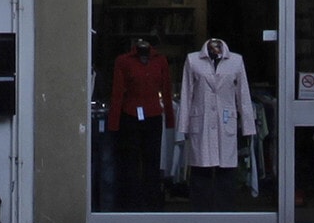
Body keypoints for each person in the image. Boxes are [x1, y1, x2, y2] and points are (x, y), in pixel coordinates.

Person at [178, 36, 255, 209]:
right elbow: (186, 94)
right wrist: (183, 126)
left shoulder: (236, 61)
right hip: (201, 121)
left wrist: (248, 126)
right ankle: (200, 213)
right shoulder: (193, 60)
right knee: (200, 170)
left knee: (226, 172)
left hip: (225, 121)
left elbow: (243, 95)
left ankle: (224, 213)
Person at [107, 36, 175, 211]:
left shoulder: (160, 61)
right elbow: (117, 92)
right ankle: (130, 204)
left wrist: (170, 119)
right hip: (130, 116)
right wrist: (114, 123)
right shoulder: (123, 61)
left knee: (152, 161)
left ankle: (152, 204)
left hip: (153, 116)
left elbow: (166, 90)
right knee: (130, 162)